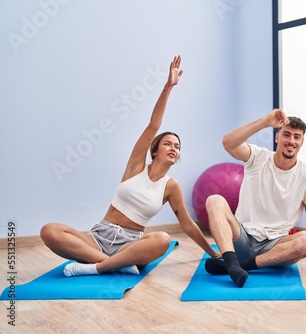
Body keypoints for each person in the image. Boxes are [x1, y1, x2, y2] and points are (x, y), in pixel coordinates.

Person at [40, 55, 220, 277]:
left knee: (162, 239)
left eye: (177, 146)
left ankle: (96, 267)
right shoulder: (136, 166)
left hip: (130, 244)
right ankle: (113, 264)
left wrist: (212, 252)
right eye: (168, 143)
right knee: (49, 231)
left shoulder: (170, 186)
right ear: (155, 150)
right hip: (98, 237)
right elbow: (154, 125)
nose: (174, 148)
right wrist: (168, 87)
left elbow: (188, 225)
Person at [204, 109, 306, 287]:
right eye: (286, 135)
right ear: (277, 138)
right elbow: (228, 143)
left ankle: (235, 267)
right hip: (242, 238)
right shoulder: (258, 158)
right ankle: (232, 263)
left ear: (302, 142)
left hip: (275, 247)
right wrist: (265, 122)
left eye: (296, 137)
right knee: (214, 200)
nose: (291, 141)